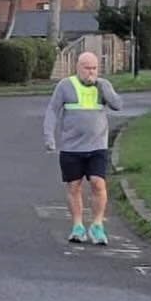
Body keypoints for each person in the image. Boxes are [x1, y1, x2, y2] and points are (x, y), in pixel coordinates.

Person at [43, 50, 122, 244]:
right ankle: (77, 226)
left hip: (97, 146)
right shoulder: (65, 86)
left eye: (94, 68)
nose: (91, 72)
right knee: (74, 186)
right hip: (71, 147)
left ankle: (97, 225)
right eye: (87, 68)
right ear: (78, 67)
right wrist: (49, 137)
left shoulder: (103, 85)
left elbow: (117, 105)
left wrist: (104, 88)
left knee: (98, 183)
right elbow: (52, 111)